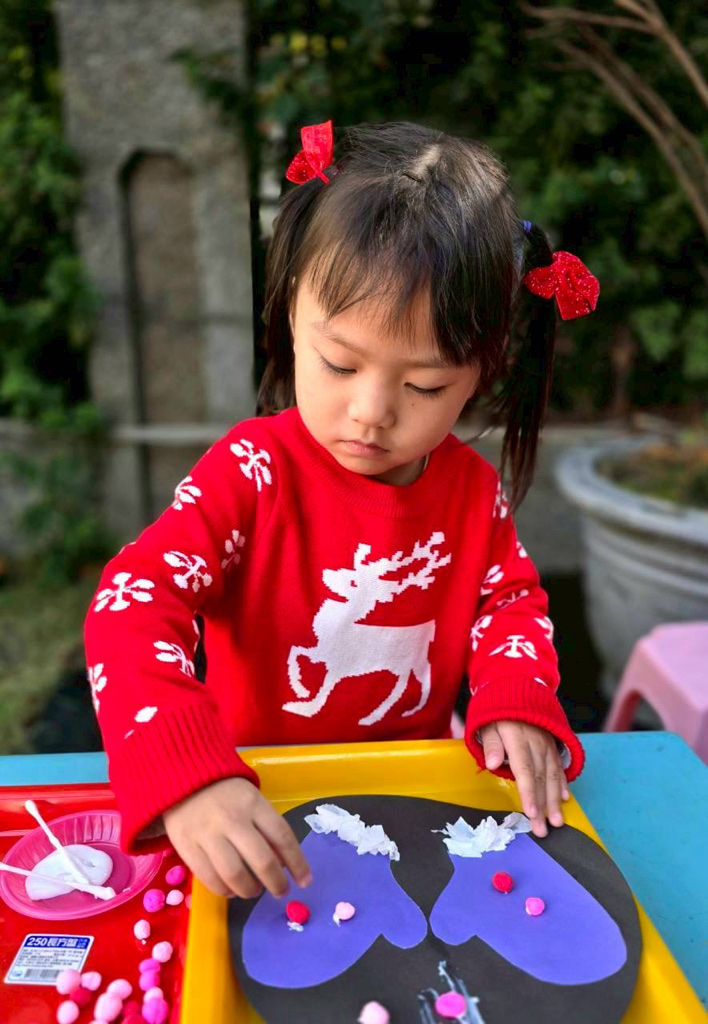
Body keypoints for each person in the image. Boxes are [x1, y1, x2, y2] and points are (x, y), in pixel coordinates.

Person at [84, 119, 599, 903]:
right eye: (338, 362)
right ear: (292, 311)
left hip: (410, 803)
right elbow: (133, 602)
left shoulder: (470, 491)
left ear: (483, 372)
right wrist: (186, 771)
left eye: (425, 386)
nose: (371, 413)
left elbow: (509, 604)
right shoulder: (251, 473)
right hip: (255, 809)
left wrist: (515, 699)